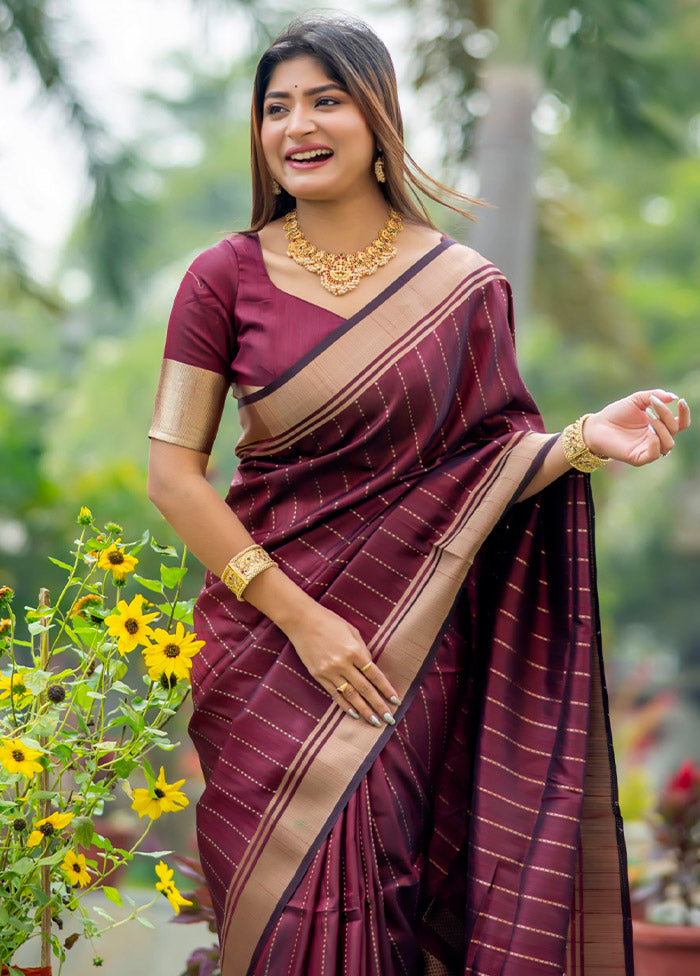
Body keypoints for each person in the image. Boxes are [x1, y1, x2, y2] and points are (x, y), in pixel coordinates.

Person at [147, 16, 690, 976]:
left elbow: (481, 469)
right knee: (273, 922)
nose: (297, 126)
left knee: (381, 901)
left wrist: (576, 444)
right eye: (277, 107)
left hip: (406, 648)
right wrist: (300, 619)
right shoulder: (223, 277)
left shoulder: (462, 288)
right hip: (265, 645)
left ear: (378, 116)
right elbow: (173, 476)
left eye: (326, 100)